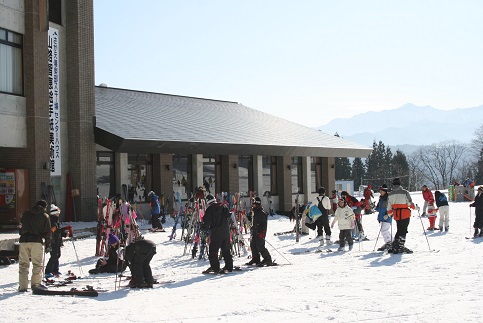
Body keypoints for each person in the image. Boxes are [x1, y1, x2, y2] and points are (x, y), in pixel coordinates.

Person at [18, 200, 52, 292]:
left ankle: (23, 286)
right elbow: (48, 232)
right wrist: (48, 244)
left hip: (24, 241)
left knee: (23, 264)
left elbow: (20, 228)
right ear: (44, 207)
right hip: (36, 241)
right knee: (37, 264)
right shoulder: (45, 216)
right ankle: (35, 285)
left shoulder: (25, 214)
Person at [201, 194, 234, 273]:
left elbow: (207, 222)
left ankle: (215, 267)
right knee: (226, 250)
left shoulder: (209, 210)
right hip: (226, 232)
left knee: (213, 251)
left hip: (216, 233)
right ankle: (229, 266)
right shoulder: (223, 206)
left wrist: (203, 227)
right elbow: (228, 215)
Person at [386, 178, 416, 254]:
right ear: (400, 184)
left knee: (399, 229)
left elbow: (388, 206)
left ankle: (395, 245)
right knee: (403, 230)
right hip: (404, 213)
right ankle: (400, 246)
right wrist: (415, 207)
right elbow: (409, 203)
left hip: (396, 213)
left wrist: (390, 213)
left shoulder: (390, 194)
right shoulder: (405, 192)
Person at [45, 205, 73, 278]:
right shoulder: (51, 220)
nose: (59, 214)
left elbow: (58, 231)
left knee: (57, 255)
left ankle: (55, 269)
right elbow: (54, 231)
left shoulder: (56, 220)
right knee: (54, 255)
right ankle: (48, 271)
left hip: (57, 240)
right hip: (53, 240)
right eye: (58, 213)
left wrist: (64, 234)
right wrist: (64, 229)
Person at [246, 196, 273, 267]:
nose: (252, 205)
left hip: (260, 233)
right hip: (255, 232)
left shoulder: (261, 212)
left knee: (260, 246)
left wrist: (262, 232)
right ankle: (256, 259)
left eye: (253, 203)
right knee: (253, 245)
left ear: (257, 204)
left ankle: (267, 259)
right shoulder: (255, 211)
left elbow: (264, 224)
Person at [375, 185, 392, 251]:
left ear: (385, 191)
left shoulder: (389, 198)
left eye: (381, 191)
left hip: (387, 217)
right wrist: (375, 208)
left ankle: (388, 243)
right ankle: (391, 242)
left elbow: (392, 207)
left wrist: (388, 214)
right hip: (381, 217)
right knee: (385, 230)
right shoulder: (381, 198)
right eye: (380, 191)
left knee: (384, 230)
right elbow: (379, 208)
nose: (380, 192)